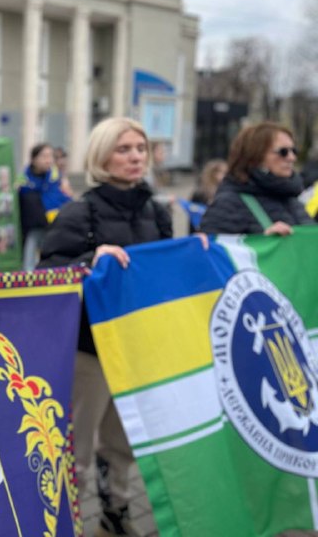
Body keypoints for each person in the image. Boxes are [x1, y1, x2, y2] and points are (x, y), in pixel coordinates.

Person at [37, 117, 173, 537]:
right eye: (124, 149)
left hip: (138, 347)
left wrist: (198, 252)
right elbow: (47, 270)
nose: (136, 156)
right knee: (74, 445)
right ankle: (68, 521)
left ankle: (116, 511)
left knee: (123, 441)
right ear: (101, 155)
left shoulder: (157, 210)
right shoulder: (81, 212)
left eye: (140, 148)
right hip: (90, 350)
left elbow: (165, 268)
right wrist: (90, 259)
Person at [200, 122, 314, 235]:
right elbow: (215, 250)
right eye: (283, 152)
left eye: (294, 151)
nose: (292, 158)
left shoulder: (292, 199)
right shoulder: (228, 204)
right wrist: (263, 243)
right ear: (255, 157)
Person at [18, 143, 72, 270]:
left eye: (50, 156)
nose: (48, 160)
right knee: (29, 263)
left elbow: (66, 199)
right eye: (44, 156)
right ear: (34, 159)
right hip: (32, 229)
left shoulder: (57, 178)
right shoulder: (23, 181)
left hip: (54, 227)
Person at [186, 159, 227, 232]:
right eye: (222, 173)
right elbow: (193, 215)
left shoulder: (226, 191)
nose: (225, 176)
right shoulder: (200, 194)